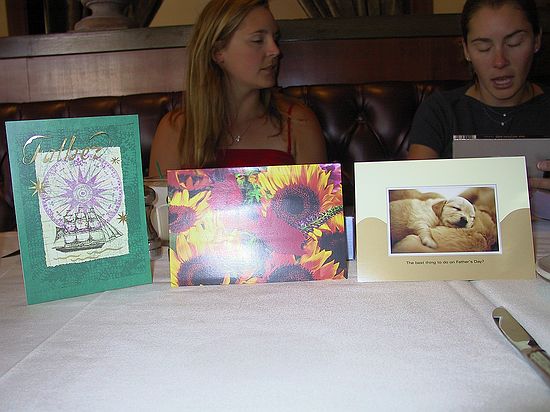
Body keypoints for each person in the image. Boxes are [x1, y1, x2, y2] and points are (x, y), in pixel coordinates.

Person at [148, 0, 327, 177]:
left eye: (275, 39)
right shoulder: (175, 129)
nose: (275, 50)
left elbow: (320, 194)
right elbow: (160, 196)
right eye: (258, 40)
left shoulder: (298, 122)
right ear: (218, 52)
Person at [406, 0, 550, 190]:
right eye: (483, 47)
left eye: (514, 43)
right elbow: (415, 192)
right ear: (466, 49)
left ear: (536, 40)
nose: (500, 61)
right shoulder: (440, 111)